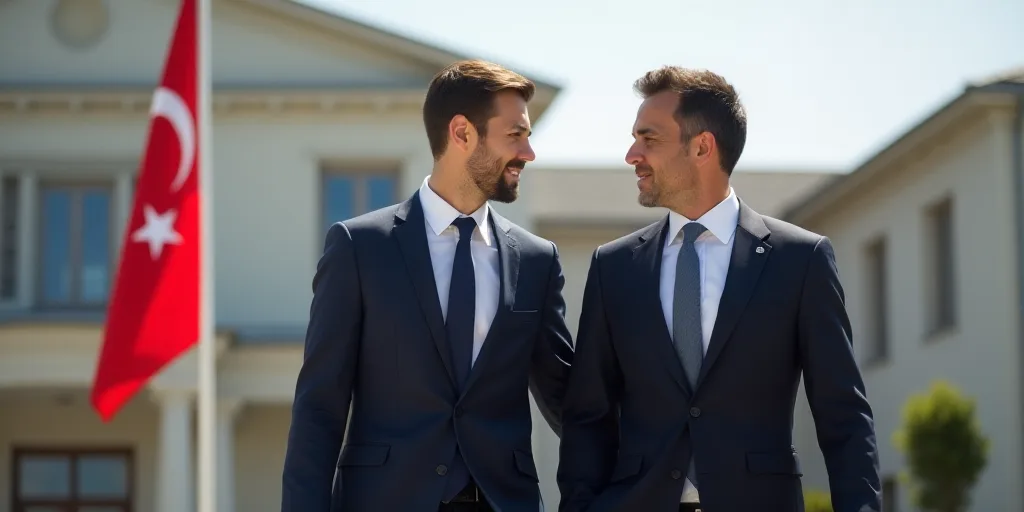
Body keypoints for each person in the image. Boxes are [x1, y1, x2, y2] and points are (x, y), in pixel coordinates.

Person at [555, 66, 881, 512]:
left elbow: (843, 417)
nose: (632, 154)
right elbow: (587, 416)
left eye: (649, 139)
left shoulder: (800, 261)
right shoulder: (614, 267)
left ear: (702, 146)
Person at [282, 59, 574, 512]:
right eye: (515, 135)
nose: (528, 153)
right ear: (462, 133)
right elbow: (320, 407)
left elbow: (568, 405)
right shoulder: (359, 248)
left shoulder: (536, 260)